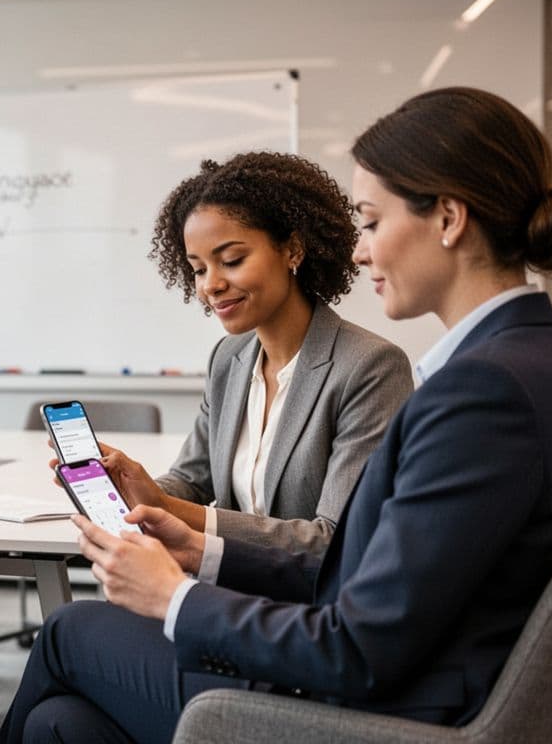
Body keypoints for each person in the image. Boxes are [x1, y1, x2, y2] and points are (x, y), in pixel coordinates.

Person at [0, 87, 552, 743]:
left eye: (374, 222)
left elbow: (355, 647)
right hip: (420, 674)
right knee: (60, 724)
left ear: (448, 218)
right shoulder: (534, 361)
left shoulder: (483, 393)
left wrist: (173, 597)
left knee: (70, 631)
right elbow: (375, 574)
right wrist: (197, 548)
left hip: (400, 714)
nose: (359, 251)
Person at [134, 152, 412, 556]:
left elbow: (332, 540)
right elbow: (193, 481)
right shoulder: (228, 359)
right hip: (225, 587)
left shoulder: (370, 367)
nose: (210, 285)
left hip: (305, 609)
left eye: (231, 260)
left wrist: (170, 510)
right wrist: (132, 491)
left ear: (293, 250)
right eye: (197, 269)